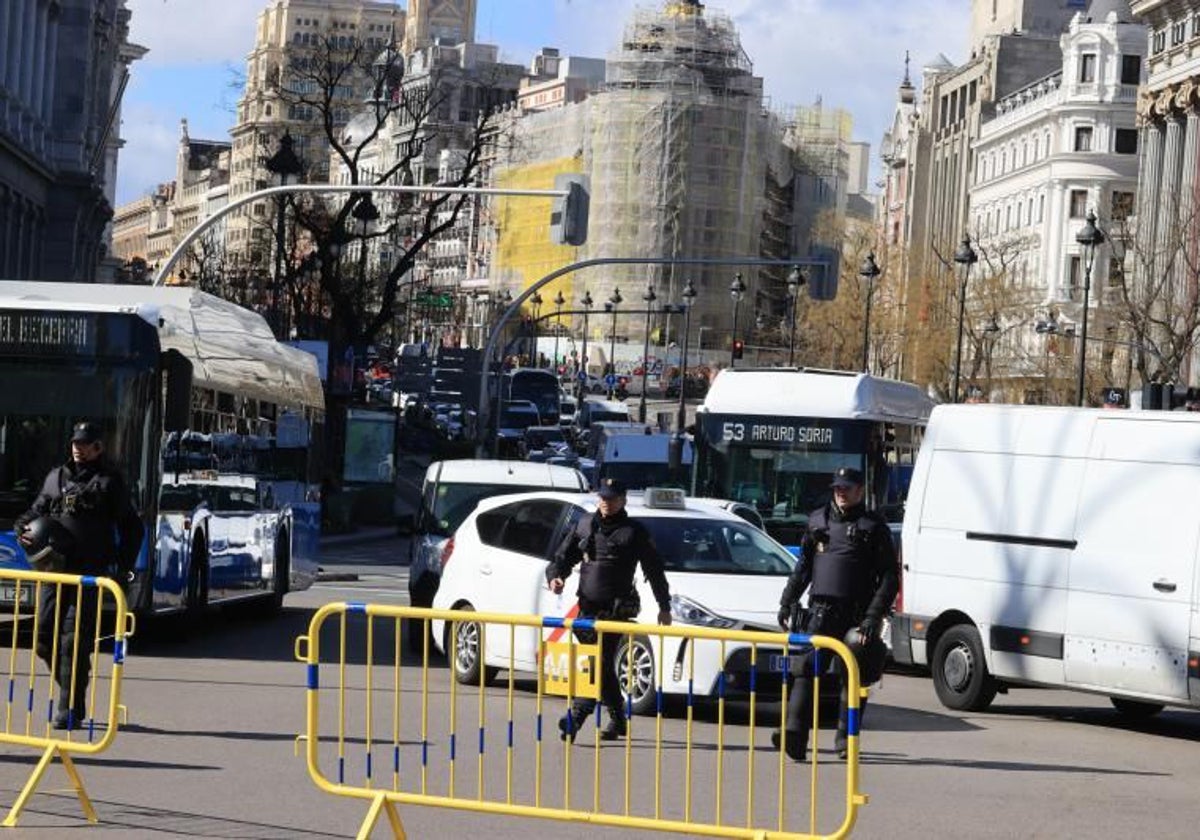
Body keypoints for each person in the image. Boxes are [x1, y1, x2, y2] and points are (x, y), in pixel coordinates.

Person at [15, 421, 143, 730]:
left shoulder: (109, 483)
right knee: (44, 639)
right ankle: (71, 689)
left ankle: (68, 707)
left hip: (89, 574)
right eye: (75, 442)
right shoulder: (56, 478)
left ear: (98, 447)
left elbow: (132, 527)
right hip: (54, 573)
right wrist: (23, 528)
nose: (78, 447)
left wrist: (124, 568)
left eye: (85, 443)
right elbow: (34, 512)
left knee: (74, 641)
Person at [773, 466, 898, 761]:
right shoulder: (818, 521)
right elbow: (803, 566)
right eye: (837, 488)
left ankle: (846, 739)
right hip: (821, 612)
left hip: (857, 615)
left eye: (847, 488)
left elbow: (890, 577)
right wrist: (787, 600)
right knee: (805, 668)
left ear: (859, 491)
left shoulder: (873, 526)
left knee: (854, 673)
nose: (841, 493)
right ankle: (794, 734)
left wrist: (873, 617)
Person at [546, 478, 672, 741]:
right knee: (600, 666)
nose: (606, 502)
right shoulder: (583, 525)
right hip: (586, 610)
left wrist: (664, 606)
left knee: (599, 662)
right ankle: (618, 720)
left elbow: (655, 570)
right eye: (603, 498)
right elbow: (562, 557)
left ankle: (577, 716)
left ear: (623, 500)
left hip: (615, 612)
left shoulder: (634, 532)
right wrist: (556, 577)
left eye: (612, 498)